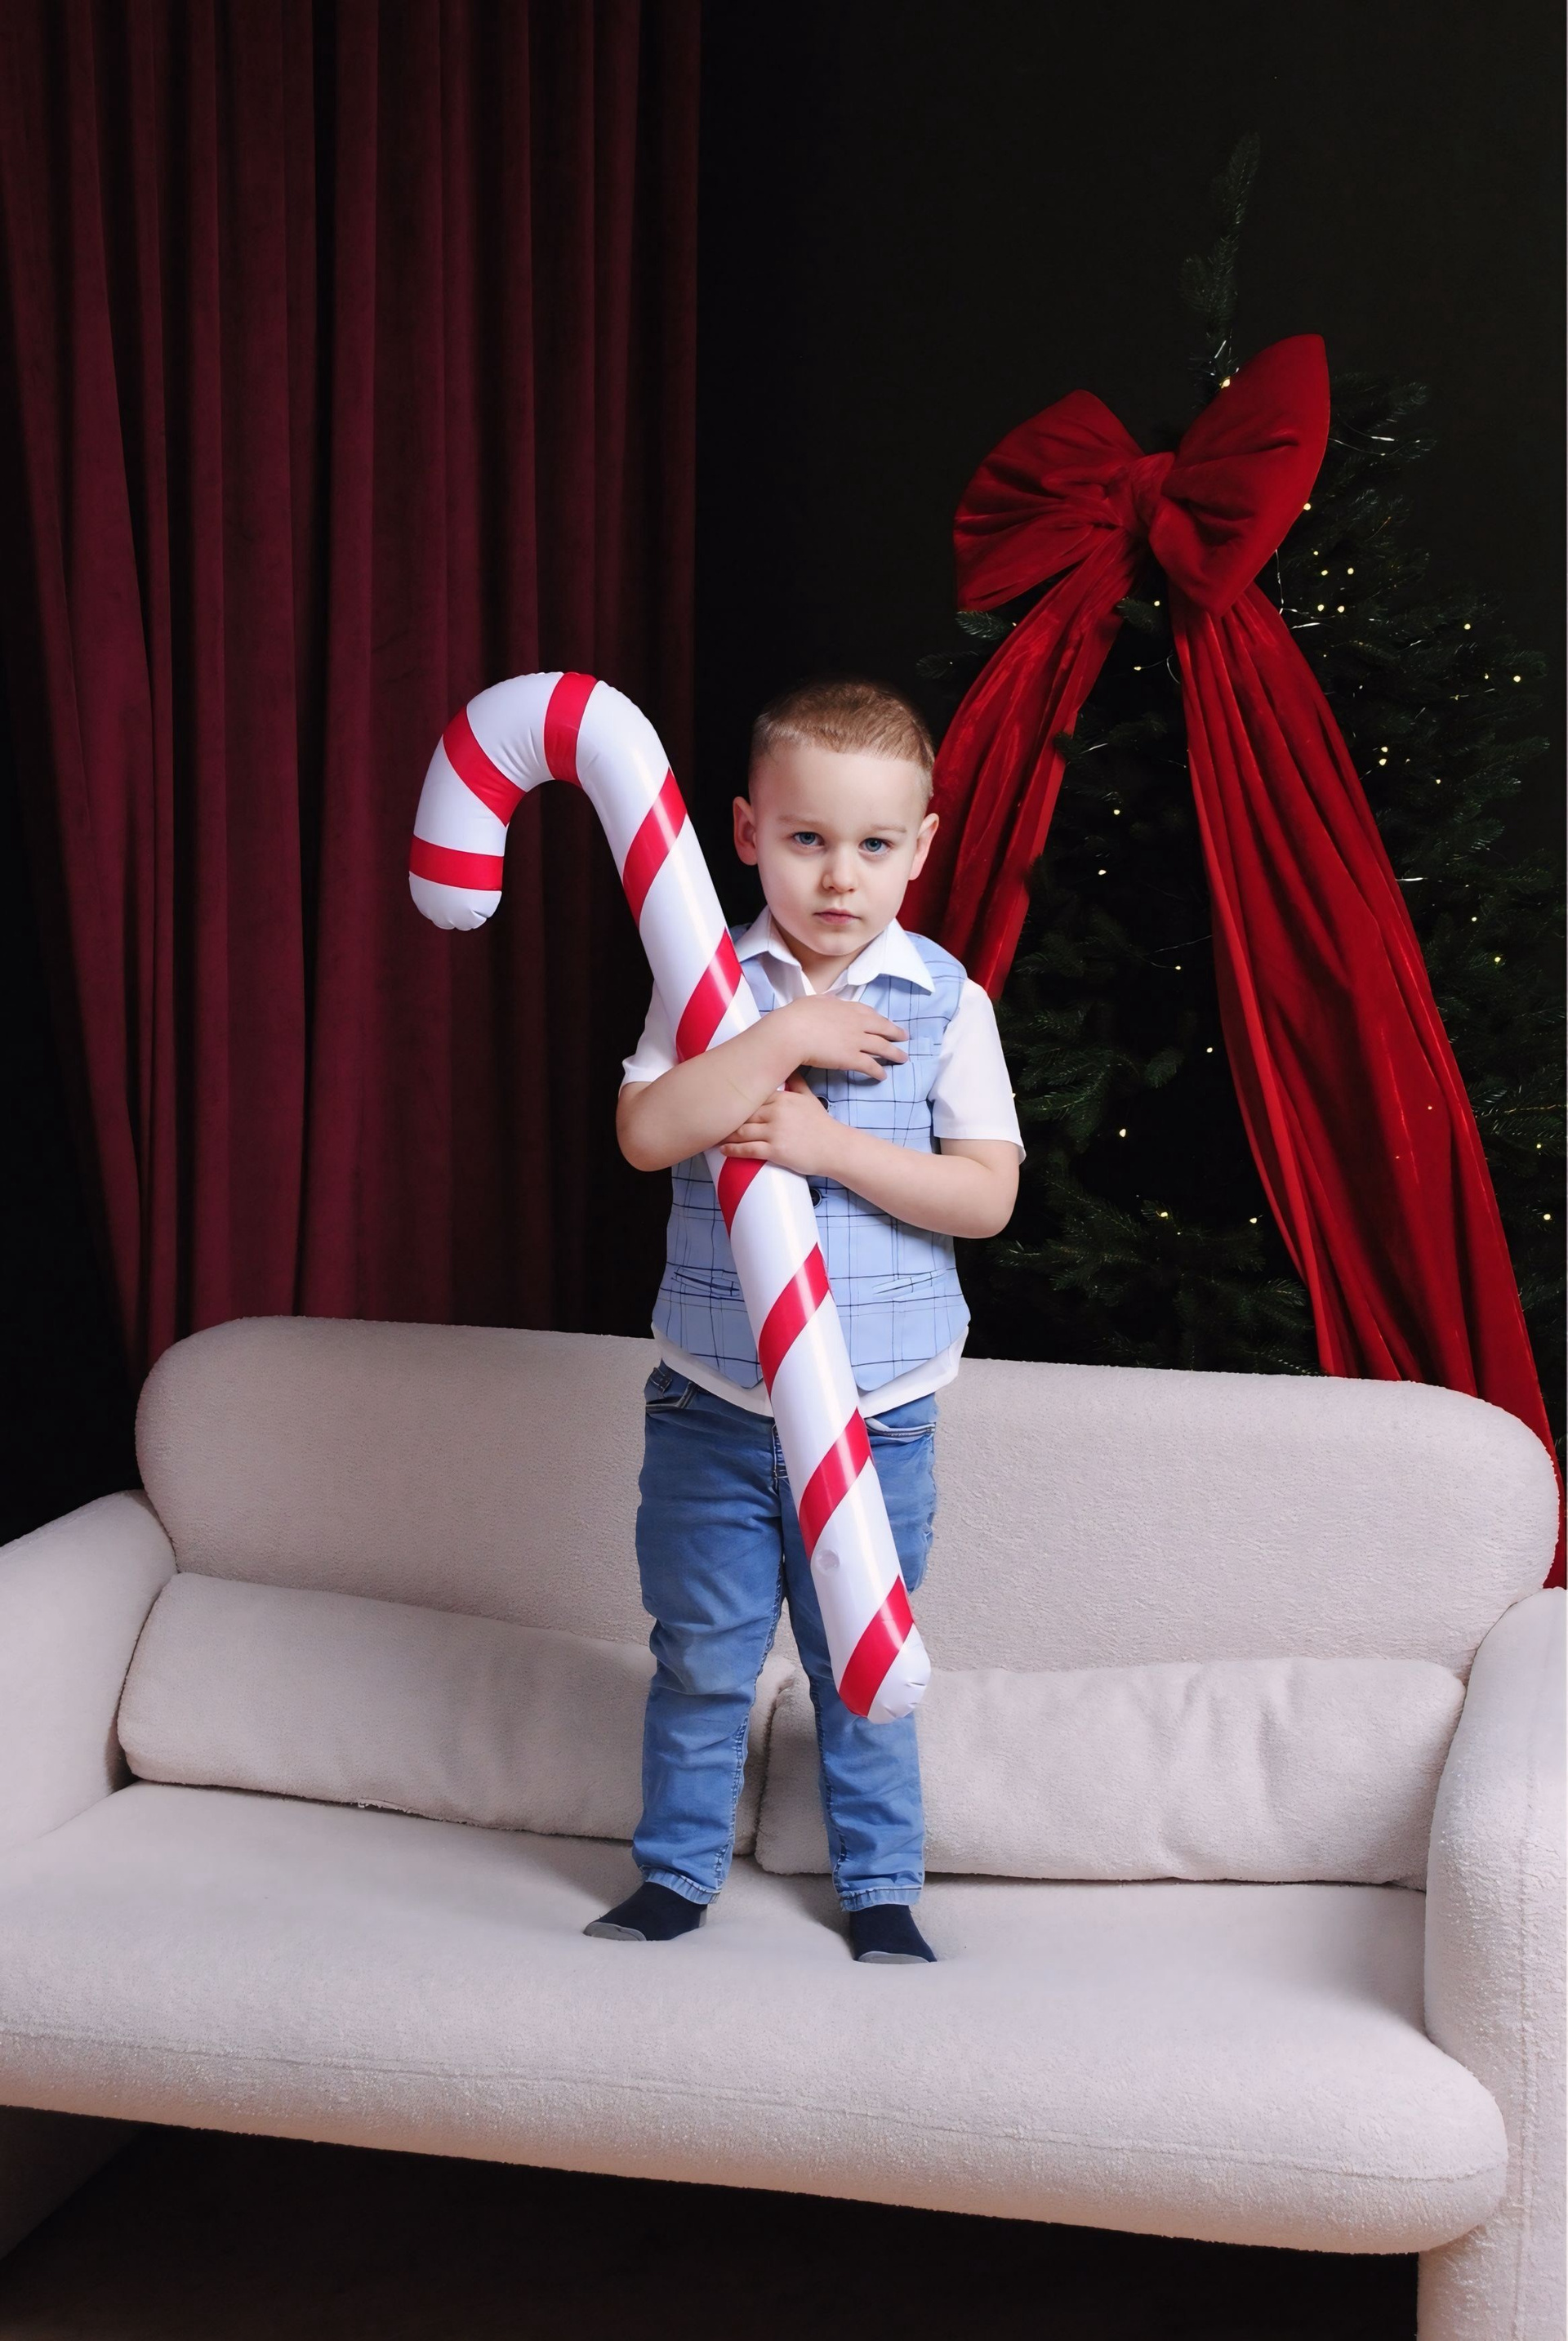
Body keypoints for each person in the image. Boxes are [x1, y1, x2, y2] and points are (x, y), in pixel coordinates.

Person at [586, 679, 1021, 1964]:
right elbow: (648, 1131)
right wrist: (785, 1035)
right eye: (806, 838)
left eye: (874, 843)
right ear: (745, 832)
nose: (840, 875)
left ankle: (879, 1886)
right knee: (703, 1654)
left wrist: (830, 1147)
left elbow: (986, 1195)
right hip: (714, 1407)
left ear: (921, 847)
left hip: (877, 1418)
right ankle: (676, 1874)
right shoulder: (705, 985)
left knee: (862, 1662)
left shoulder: (949, 1001)